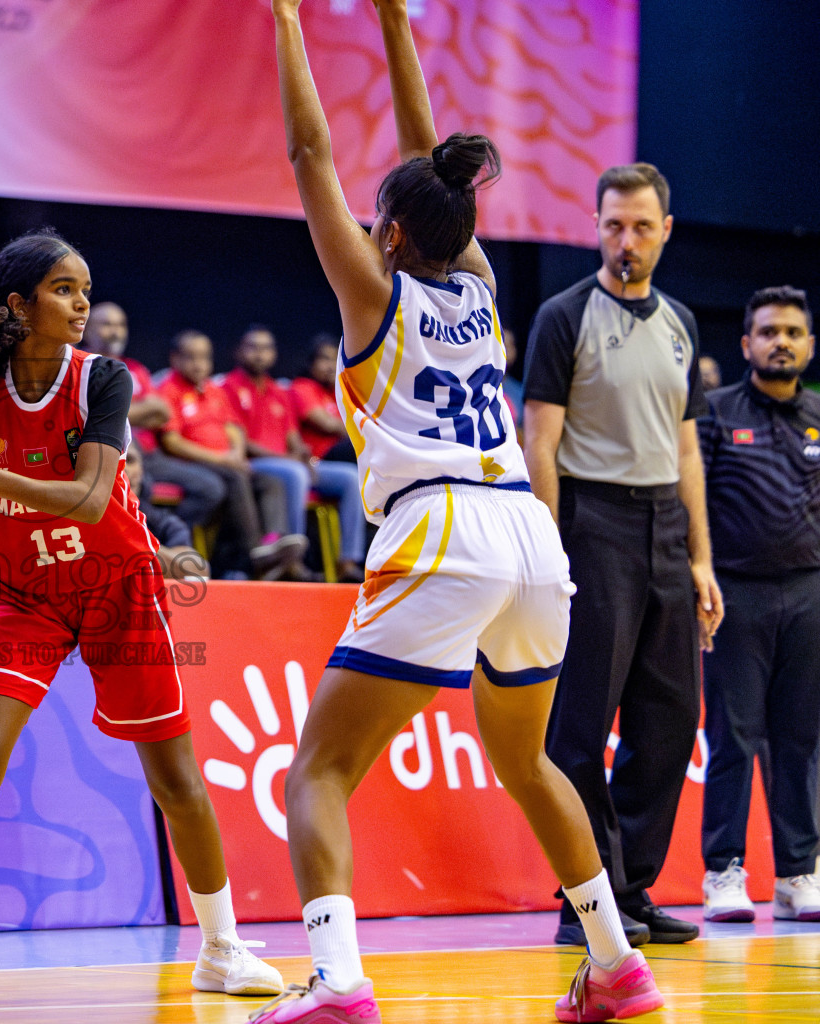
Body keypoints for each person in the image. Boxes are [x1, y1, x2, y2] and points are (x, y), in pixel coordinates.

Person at [254, 4, 660, 1023]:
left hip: (439, 527)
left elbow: (311, 149)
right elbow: (429, 164)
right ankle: (616, 965)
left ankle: (339, 981)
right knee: (527, 760)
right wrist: (398, 21)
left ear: (386, 231)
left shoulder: (369, 291)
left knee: (319, 770)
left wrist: (288, 18)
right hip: (529, 534)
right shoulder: (478, 283)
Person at [0, 230, 282, 1005]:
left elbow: (91, 498)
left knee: (175, 779)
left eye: (84, 288)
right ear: (18, 305)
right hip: (25, 591)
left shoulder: (102, 381)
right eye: (63, 289)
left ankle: (220, 948)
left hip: (118, 584)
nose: (82, 303)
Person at [523, 160, 722, 946]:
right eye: (613, 225)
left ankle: (631, 889)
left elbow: (688, 450)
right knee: (581, 723)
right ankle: (587, 903)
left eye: (641, 226)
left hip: (665, 526)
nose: (626, 240)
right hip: (591, 521)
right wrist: (545, 550)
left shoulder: (680, 323)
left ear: (666, 231)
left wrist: (701, 558)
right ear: (595, 227)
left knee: (671, 719)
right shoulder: (564, 315)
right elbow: (541, 439)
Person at [697, 286, 820, 923]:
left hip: (807, 595)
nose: (781, 342)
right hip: (733, 596)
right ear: (747, 344)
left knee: (801, 739)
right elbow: (694, 507)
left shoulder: (818, 418)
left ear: (809, 345)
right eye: (769, 332)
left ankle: (800, 873)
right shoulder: (715, 412)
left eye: (793, 332)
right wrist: (701, 580)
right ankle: (723, 873)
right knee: (733, 737)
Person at [157, 330, 308, 580]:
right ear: (175, 359)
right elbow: (172, 443)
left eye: (204, 357)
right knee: (235, 478)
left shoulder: (214, 390)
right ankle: (254, 554)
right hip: (193, 463)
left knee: (270, 481)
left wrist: (236, 454)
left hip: (227, 462)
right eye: (191, 357)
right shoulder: (168, 390)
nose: (199, 364)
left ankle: (273, 540)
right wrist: (224, 460)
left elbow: (233, 428)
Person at [222, 326, 365, 580]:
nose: (259, 354)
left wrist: (301, 454)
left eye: (266, 348)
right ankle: (293, 560)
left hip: (289, 463)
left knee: (349, 478)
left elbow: (292, 436)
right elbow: (241, 441)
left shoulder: (279, 391)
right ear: (239, 351)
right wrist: (290, 461)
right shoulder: (229, 387)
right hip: (255, 463)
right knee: (296, 473)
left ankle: (348, 562)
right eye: (253, 347)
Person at [82, 302, 226, 529]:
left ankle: (169, 540)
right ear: (88, 328)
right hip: (111, 456)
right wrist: (138, 412)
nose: (115, 331)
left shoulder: (136, 369)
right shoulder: (81, 366)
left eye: (120, 325)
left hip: (151, 456)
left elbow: (162, 412)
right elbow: (91, 416)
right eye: (107, 324)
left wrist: (117, 411)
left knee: (212, 487)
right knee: (145, 486)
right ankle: (157, 541)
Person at [126, 442, 209, 581]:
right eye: (115, 462)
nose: (124, 470)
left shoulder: (165, 522)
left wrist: (128, 538)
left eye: (130, 460)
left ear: (142, 471)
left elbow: (198, 568)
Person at [289, 334, 351, 462]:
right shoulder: (302, 387)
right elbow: (327, 424)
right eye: (325, 359)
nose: (331, 366)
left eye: (336, 359)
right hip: (319, 456)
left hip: (339, 453)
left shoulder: (336, 391)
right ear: (311, 362)